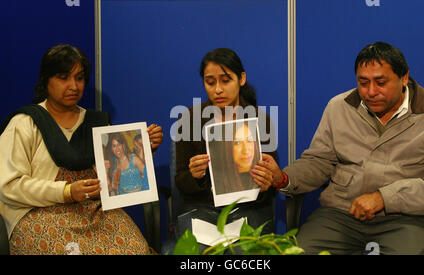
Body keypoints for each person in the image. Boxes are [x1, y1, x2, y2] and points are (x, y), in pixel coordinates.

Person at [259, 41, 424, 255]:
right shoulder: (339, 107)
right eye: (363, 82)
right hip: (341, 214)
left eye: (381, 82)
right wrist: (283, 178)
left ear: (404, 78)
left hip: (406, 219)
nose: (371, 92)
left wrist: (385, 198)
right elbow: (318, 162)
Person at [0, 44, 163, 254]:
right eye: (63, 77)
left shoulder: (97, 123)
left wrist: (143, 150)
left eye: (79, 78)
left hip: (96, 211)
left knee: (137, 250)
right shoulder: (25, 123)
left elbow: (115, 175)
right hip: (39, 214)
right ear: (46, 80)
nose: (73, 86)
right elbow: (9, 186)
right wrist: (67, 192)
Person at [174, 48, 278, 249]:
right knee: (200, 253)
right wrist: (195, 175)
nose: (218, 90)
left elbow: (269, 183)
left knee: (245, 252)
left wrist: (266, 183)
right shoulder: (189, 119)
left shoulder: (260, 121)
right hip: (201, 209)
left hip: (248, 208)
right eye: (210, 82)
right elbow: (181, 181)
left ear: (241, 79)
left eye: (225, 80)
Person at [209, 121, 260, 195]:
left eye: (249, 140)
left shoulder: (259, 178)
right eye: (237, 143)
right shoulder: (219, 183)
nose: (245, 150)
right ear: (226, 148)